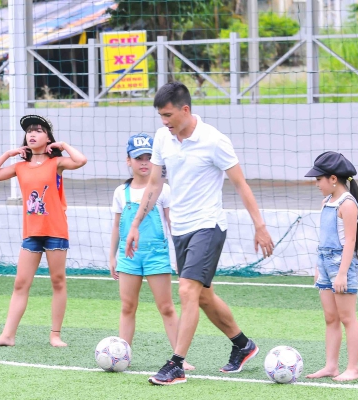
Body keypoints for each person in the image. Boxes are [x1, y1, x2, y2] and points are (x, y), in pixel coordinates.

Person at [124, 82, 275, 385]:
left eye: (168, 115)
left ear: (185, 110)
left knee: (187, 291)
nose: (164, 121)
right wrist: (136, 224)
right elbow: (154, 185)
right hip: (180, 229)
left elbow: (241, 184)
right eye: (160, 116)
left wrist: (260, 226)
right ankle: (243, 345)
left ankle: (176, 364)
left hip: (208, 225)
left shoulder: (214, 140)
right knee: (203, 296)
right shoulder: (162, 138)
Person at [0, 114, 87, 348]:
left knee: (58, 282)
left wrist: (63, 145)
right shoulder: (20, 167)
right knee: (20, 283)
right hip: (31, 233)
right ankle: (7, 336)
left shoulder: (56, 163)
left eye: (38, 130)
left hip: (55, 230)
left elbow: (81, 160)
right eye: (29, 131)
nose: (32, 134)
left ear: (48, 138)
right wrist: (8, 155)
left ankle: (55, 335)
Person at [109, 133, 194, 371]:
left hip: (157, 255)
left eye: (148, 157)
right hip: (129, 256)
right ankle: (122, 355)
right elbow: (116, 226)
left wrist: (180, 256)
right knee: (128, 306)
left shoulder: (163, 190)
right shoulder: (121, 192)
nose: (144, 162)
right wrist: (112, 256)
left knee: (166, 307)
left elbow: (172, 224)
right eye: (139, 158)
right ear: (128, 161)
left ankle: (180, 357)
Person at [304, 151, 358, 382]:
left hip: (342, 265)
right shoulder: (326, 202)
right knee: (330, 318)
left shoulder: (347, 204)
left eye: (318, 179)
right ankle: (331, 366)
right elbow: (324, 238)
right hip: (325, 263)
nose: (316, 184)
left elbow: (350, 241)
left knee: (347, 318)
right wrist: (318, 267)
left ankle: (353, 368)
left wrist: (341, 274)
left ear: (333, 179)